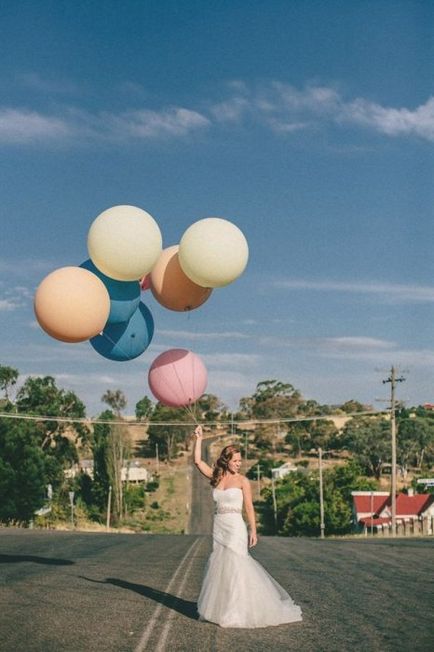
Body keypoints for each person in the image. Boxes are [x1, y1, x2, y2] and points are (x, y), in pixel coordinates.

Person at [193, 425, 302, 629]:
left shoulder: (243, 480)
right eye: (235, 461)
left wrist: (253, 530)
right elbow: (197, 461)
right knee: (221, 565)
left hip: (235, 526)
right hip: (219, 526)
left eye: (240, 460)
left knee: (237, 564)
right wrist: (199, 438)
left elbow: (250, 508)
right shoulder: (217, 477)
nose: (239, 464)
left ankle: (237, 610)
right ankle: (221, 608)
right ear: (226, 461)